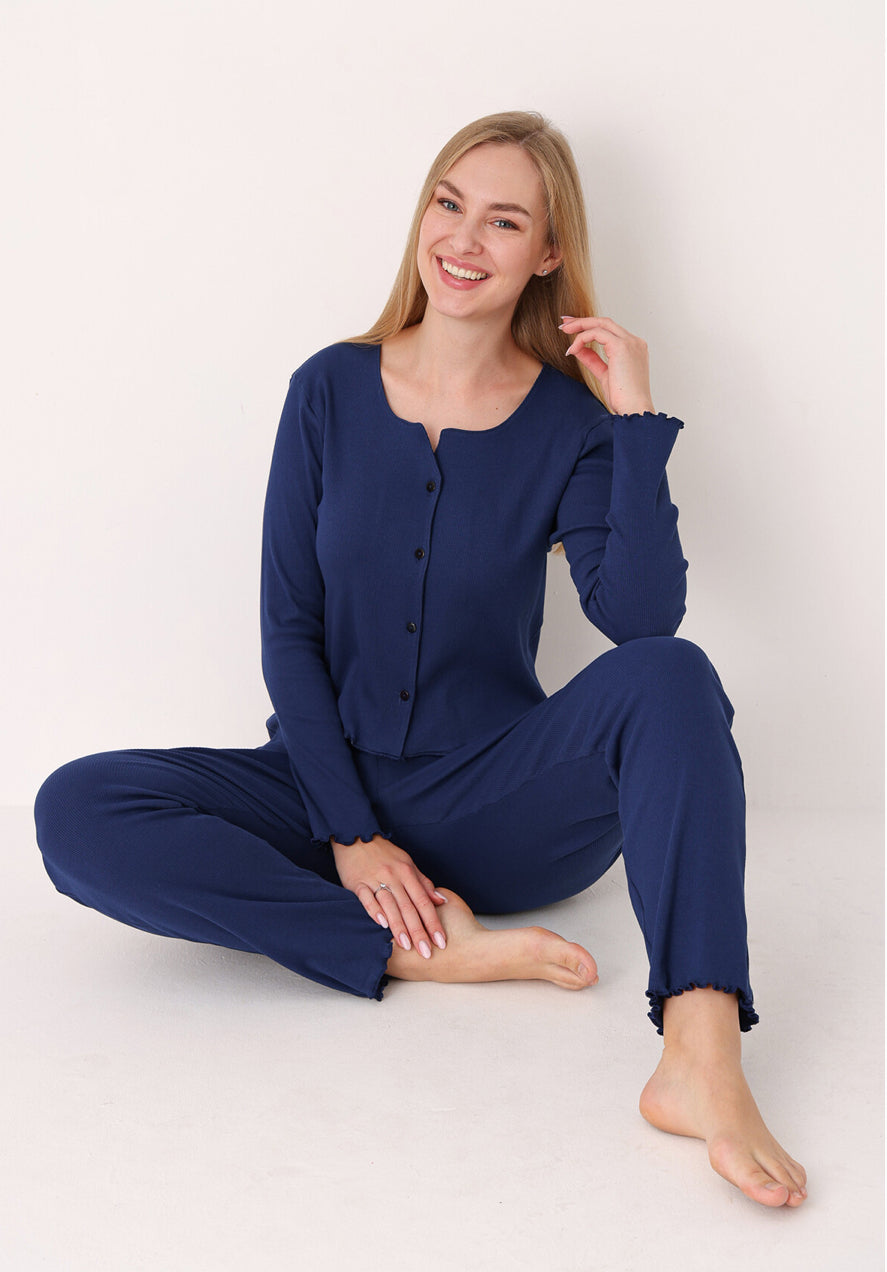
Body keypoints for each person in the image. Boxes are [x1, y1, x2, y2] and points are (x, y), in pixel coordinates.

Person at [34, 111, 806, 1208]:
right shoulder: (327, 389)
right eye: (449, 203)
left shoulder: (572, 425)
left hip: (496, 802)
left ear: (547, 253)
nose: (463, 239)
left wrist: (633, 418)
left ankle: (699, 1056)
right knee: (78, 807)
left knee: (673, 676)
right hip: (320, 790)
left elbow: (640, 620)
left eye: (504, 221)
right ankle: (416, 947)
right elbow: (287, 629)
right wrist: (350, 836)